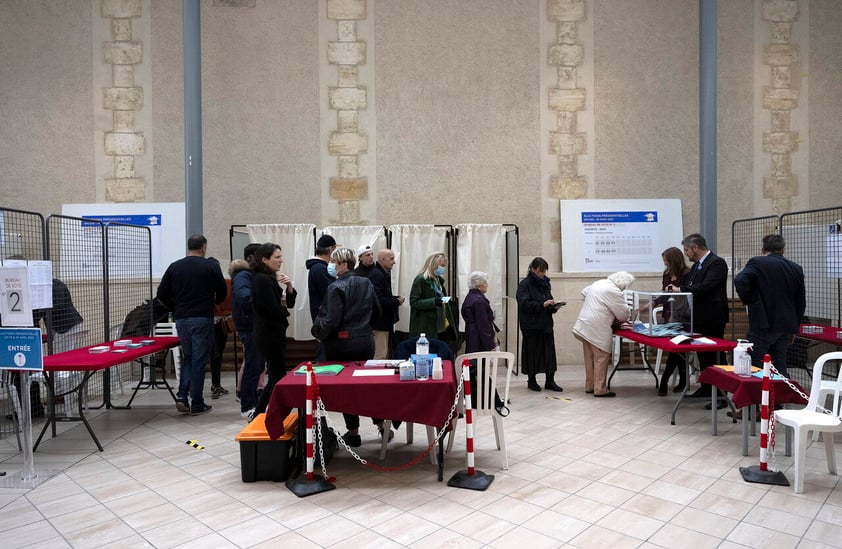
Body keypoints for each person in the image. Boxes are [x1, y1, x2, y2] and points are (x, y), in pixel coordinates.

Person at [312, 247, 382, 446]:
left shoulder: (335, 287)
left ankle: (353, 433)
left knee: (347, 390)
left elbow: (332, 321)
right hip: (365, 340)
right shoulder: (366, 282)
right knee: (367, 386)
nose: (330, 265)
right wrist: (366, 328)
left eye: (333, 261)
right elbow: (377, 311)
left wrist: (317, 332)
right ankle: (381, 426)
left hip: (340, 344)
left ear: (343, 264)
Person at [156, 235, 227, 415]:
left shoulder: (174, 267)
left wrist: (175, 307)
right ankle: (197, 403)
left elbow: (161, 294)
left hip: (181, 318)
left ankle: (181, 396)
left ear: (188, 247)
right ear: (203, 247)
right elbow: (222, 291)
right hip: (202, 317)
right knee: (199, 360)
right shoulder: (210, 266)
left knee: (188, 357)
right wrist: (214, 303)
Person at [667, 233, 729, 402]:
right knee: (703, 355)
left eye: (687, 250)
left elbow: (707, 286)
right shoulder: (695, 267)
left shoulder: (717, 263)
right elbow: (690, 285)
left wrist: (680, 290)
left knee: (716, 354)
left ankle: (722, 393)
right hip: (697, 317)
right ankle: (707, 388)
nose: (686, 253)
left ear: (696, 248)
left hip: (713, 317)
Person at [734, 234, 806, 377]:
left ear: (763, 249)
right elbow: (800, 301)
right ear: (783, 249)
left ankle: (758, 397)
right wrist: (794, 328)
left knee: (756, 365)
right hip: (785, 325)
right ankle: (778, 397)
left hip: (763, 323)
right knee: (780, 365)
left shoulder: (757, 262)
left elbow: (740, 280)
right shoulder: (795, 268)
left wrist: (751, 300)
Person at [572, 271, 635, 397]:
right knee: (601, 357)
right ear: (623, 284)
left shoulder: (599, 283)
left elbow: (584, 292)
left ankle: (590, 385)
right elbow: (623, 315)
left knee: (589, 358)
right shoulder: (614, 291)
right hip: (597, 328)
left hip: (585, 324)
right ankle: (600, 389)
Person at [252, 243, 297, 416]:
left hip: (272, 333)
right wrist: (283, 311)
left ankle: (262, 412)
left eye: (280, 256)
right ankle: (268, 412)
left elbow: (289, 302)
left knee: (276, 375)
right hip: (268, 334)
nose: (281, 260)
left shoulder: (269, 278)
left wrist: (290, 286)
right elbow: (270, 307)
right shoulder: (262, 279)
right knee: (277, 375)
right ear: (264, 259)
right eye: (277, 257)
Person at [517, 257, 565, 392]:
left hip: (545, 325)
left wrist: (553, 306)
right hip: (531, 326)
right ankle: (531, 380)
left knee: (549, 354)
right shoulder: (524, 285)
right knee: (532, 354)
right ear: (532, 269)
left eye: (544, 271)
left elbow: (547, 300)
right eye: (540, 271)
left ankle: (550, 380)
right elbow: (524, 304)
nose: (542, 274)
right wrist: (542, 304)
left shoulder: (545, 283)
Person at [229, 243, 265, 421]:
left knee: (257, 365)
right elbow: (245, 297)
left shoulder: (248, 274)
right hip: (249, 327)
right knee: (252, 366)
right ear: (252, 258)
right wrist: (265, 300)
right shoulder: (243, 275)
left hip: (252, 326)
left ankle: (252, 401)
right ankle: (247, 405)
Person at [657, 247, 691, 395]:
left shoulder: (686, 274)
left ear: (674, 260)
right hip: (669, 314)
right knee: (675, 348)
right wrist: (652, 303)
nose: (665, 264)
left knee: (677, 349)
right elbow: (664, 293)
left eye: (667, 261)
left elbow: (686, 296)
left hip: (683, 316)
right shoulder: (666, 274)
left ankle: (665, 380)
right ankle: (683, 381)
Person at [409, 252, 457, 345]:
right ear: (433, 264)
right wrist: (434, 302)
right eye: (442, 265)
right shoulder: (421, 279)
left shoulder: (438, 280)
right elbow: (414, 302)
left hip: (440, 325)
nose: (443, 268)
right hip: (426, 325)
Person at [368, 248, 404, 359]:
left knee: (383, 354)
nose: (394, 262)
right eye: (391, 258)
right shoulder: (377, 275)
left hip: (383, 322)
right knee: (380, 355)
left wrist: (394, 299)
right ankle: (377, 376)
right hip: (379, 323)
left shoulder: (381, 274)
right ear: (382, 259)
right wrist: (396, 301)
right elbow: (378, 299)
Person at [307, 233, 337, 361]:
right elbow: (330, 293)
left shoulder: (318, 268)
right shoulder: (319, 269)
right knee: (325, 354)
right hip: (324, 318)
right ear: (330, 249)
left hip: (322, 317)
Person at [461, 271, 498, 353]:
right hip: (479, 338)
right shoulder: (479, 301)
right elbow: (483, 325)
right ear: (478, 286)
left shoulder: (470, 296)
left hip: (472, 334)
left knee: (472, 360)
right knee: (478, 362)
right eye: (485, 283)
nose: (487, 285)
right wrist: (490, 344)